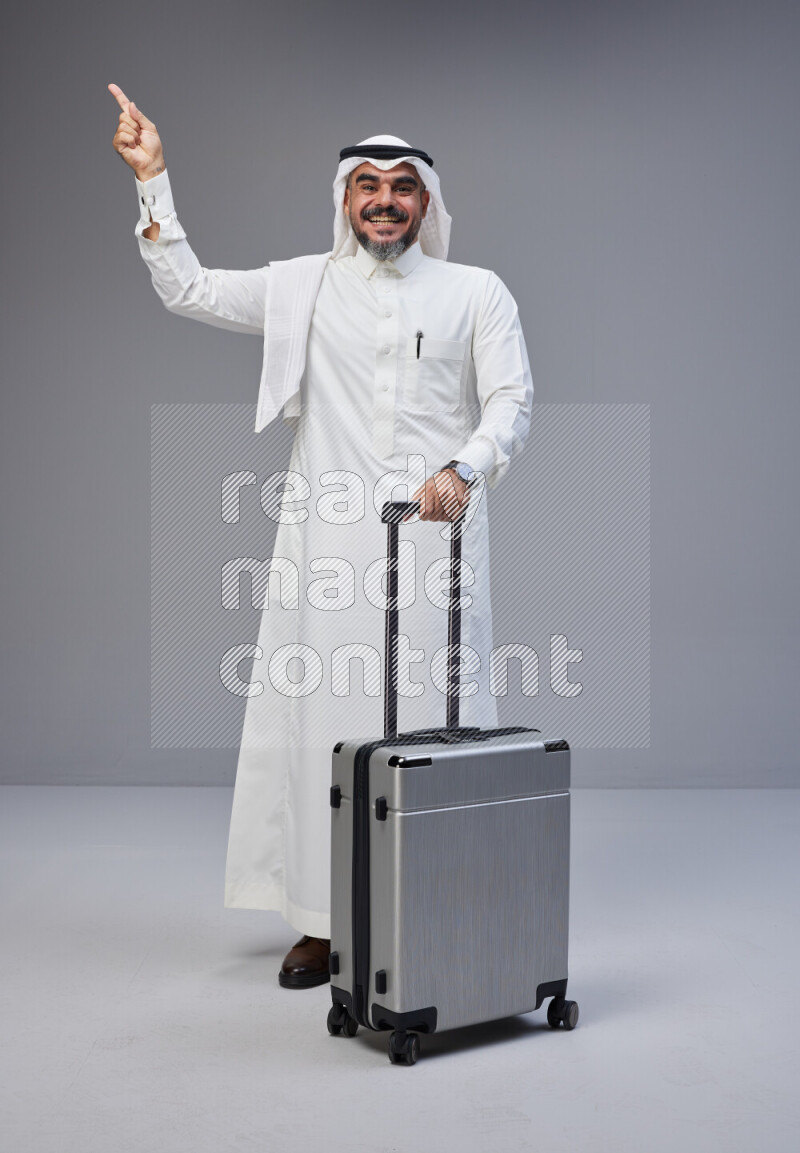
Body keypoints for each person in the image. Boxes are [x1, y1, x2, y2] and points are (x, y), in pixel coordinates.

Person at [109, 83, 533, 989]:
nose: (385, 198)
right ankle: (321, 918)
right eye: (368, 183)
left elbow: (511, 400)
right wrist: (154, 179)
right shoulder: (304, 285)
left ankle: (440, 904)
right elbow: (187, 286)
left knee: (435, 722)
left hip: (436, 541)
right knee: (322, 722)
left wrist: (466, 465)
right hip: (326, 543)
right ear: (344, 197)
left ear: (426, 201)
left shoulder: (475, 292)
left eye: (403, 185)